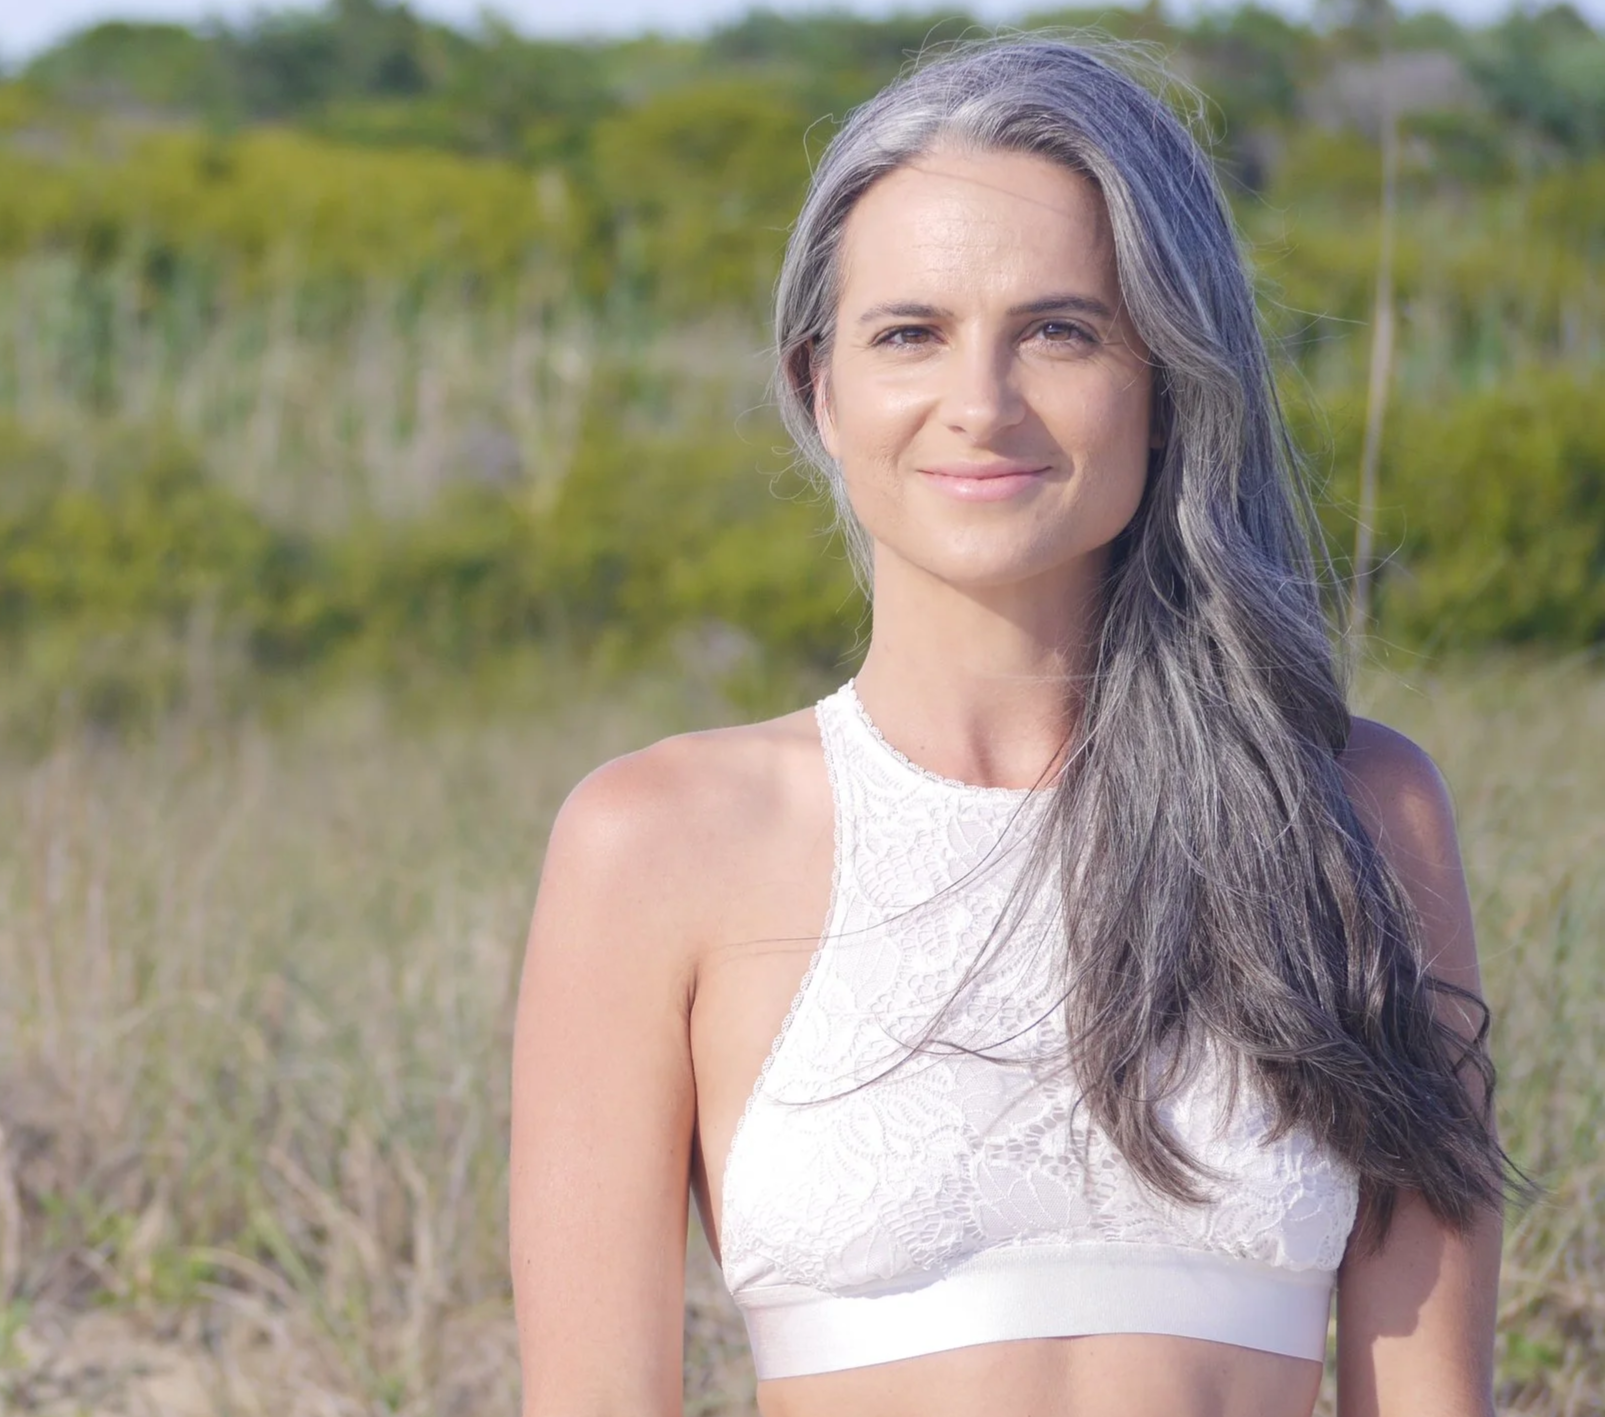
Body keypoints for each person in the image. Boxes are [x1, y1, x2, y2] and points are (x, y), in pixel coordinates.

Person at [509, 38, 1513, 1417]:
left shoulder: (1357, 809)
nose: (980, 405)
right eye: (910, 333)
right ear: (821, 386)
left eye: (1060, 329)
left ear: (1165, 380)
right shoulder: (657, 845)